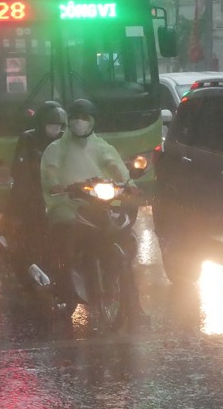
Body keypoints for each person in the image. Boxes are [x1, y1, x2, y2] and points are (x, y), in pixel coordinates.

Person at [40, 99, 149, 327]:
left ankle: (134, 306)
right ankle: (64, 290)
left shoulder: (101, 146)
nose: (80, 122)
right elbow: (50, 172)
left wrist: (128, 184)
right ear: (68, 121)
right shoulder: (56, 148)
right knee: (66, 241)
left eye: (85, 117)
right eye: (76, 117)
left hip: (97, 204)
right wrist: (57, 186)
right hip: (68, 205)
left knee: (124, 247)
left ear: (92, 122)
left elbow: (115, 166)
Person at [7, 101, 67, 283]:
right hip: (33, 195)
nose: (54, 129)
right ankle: (29, 265)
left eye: (58, 126)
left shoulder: (66, 141)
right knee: (33, 231)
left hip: (61, 194)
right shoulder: (29, 139)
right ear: (41, 124)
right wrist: (33, 192)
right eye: (51, 125)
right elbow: (21, 170)